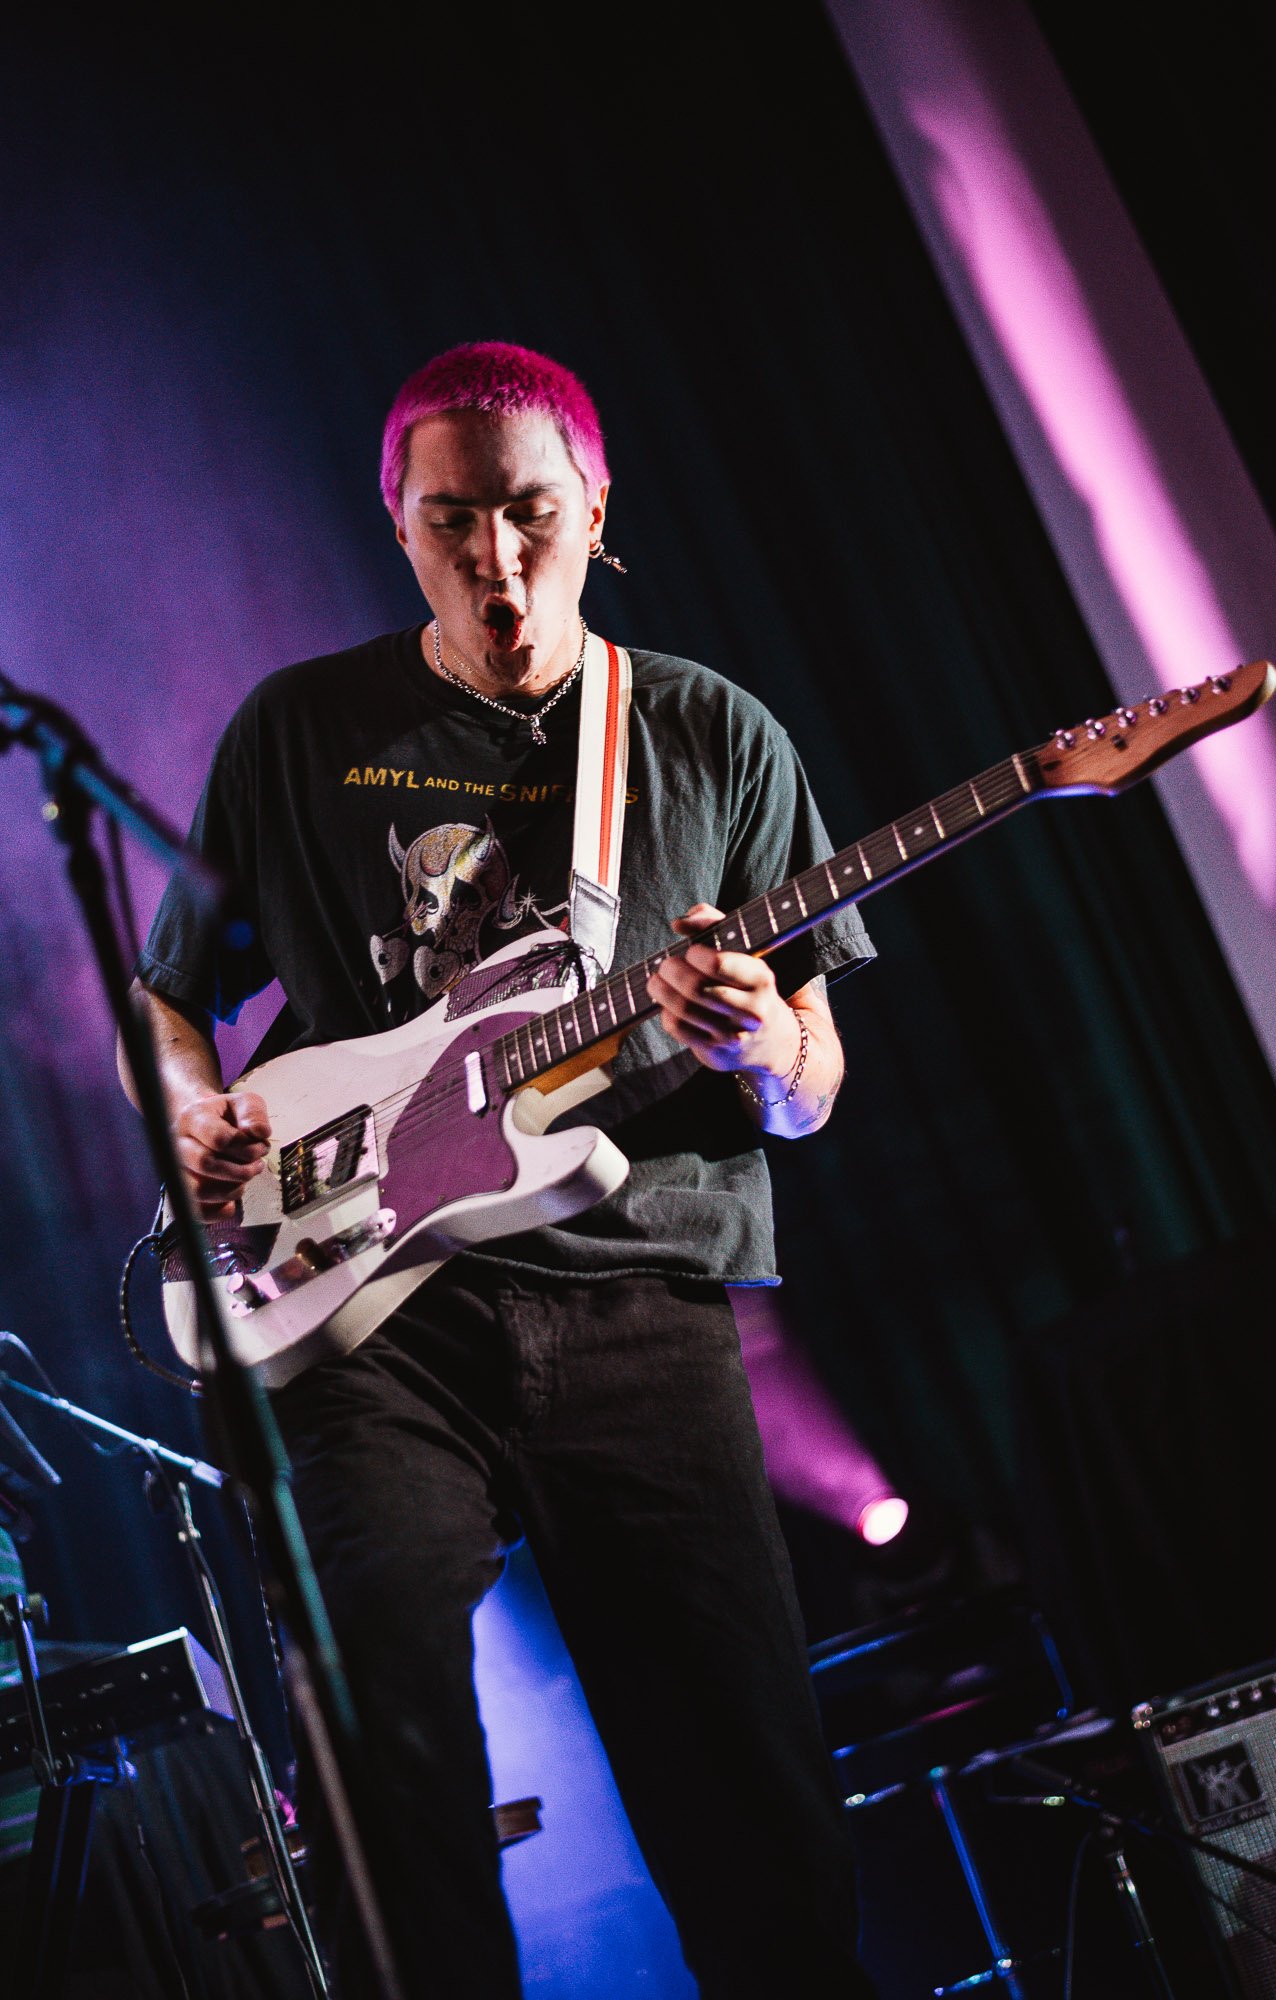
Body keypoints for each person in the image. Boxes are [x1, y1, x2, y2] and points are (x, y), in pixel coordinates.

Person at [122, 342, 877, 1998]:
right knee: (383, 1769)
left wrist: (764, 1044)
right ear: (396, 522)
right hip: (373, 1321)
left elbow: (812, 1087)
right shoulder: (301, 730)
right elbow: (170, 998)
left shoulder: (708, 732)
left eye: (529, 513)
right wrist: (189, 1110)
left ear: (594, 510)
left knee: (746, 1794)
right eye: (451, 518)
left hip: (640, 1301)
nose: (495, 557)